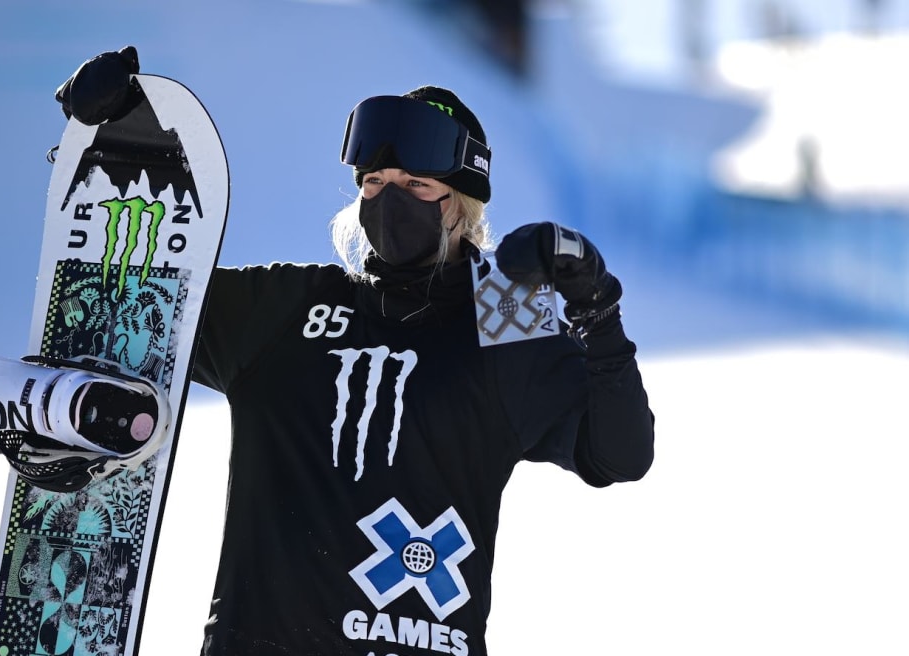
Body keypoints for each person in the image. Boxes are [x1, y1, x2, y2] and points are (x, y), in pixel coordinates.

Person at [58, 47, 655, 656]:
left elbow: (620, 455)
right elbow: (124, 302)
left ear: (462, 208)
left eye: (416, 185)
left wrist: (597, 309)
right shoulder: (286, 308)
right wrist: (117, 141)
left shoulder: (502, 325)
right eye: (374, 182)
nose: (389, 200)